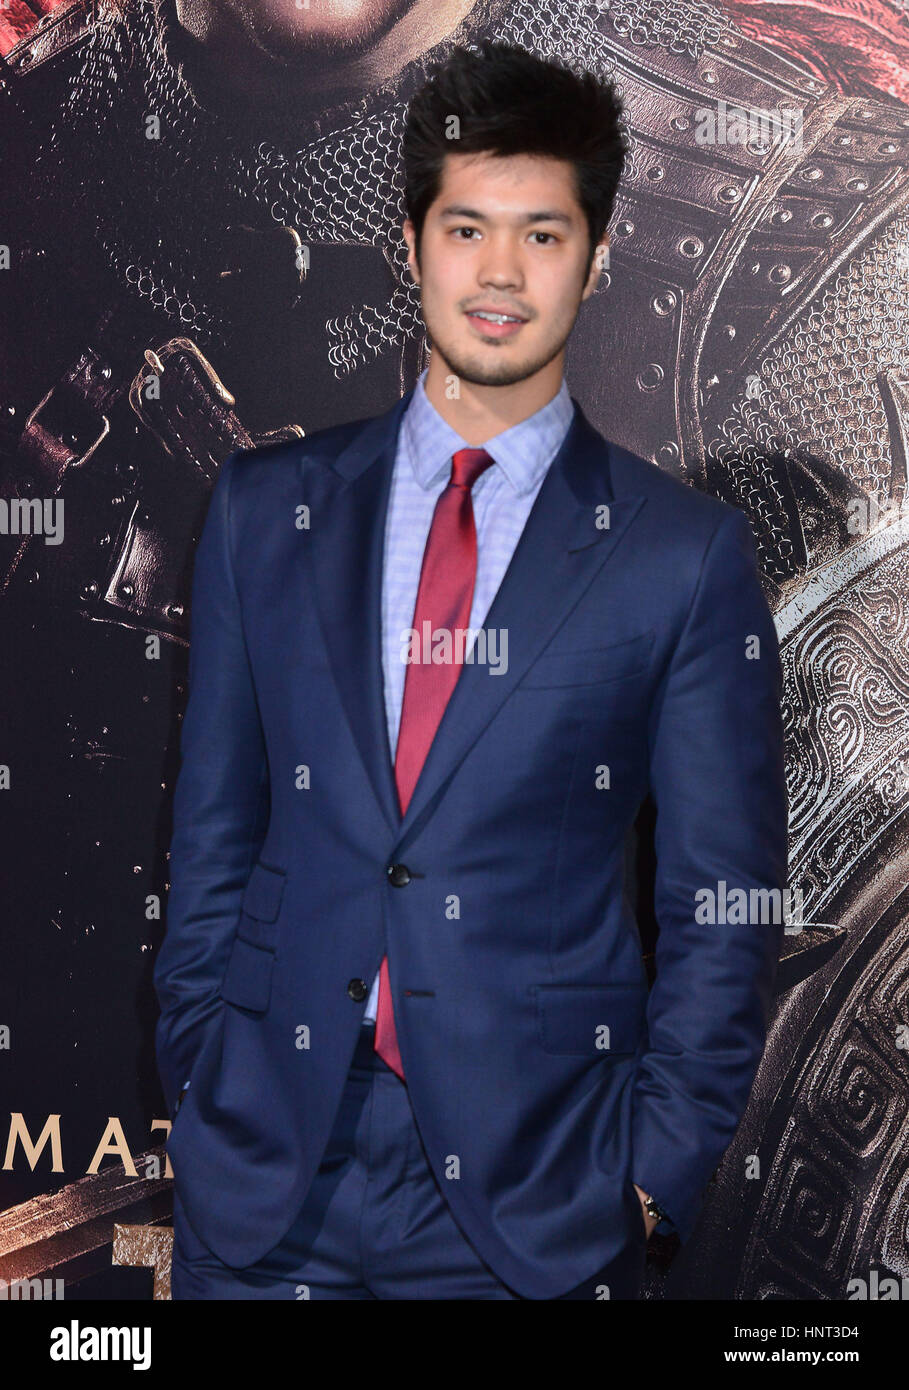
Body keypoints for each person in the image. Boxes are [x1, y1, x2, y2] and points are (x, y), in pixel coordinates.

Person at [154, 40, 789, 1300]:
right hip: (271, 1174)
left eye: (543, 235)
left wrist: (655, 1167)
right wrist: (201, 1065)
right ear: (410, 243)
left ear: (597, 257)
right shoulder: (264, 509)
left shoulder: (683, 556)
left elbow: (724, 905)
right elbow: (213, 834)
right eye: (466, 228)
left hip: (531, 1204)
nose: (499, 275)